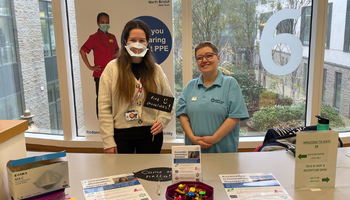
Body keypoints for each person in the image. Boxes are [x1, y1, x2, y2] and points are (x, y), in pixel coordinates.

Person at [98, 19, 174, 154]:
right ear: (125, 42)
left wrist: (162, 121)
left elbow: (168, 102)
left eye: (142, 40)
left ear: (147, 43)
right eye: (132, 40)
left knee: (148, 173)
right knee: (121, 174)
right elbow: (104, 108)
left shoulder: (156, 71)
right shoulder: (112, 69)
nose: (137, 44)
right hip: (121, 136)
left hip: (150, 135)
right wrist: (108, 141)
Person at [176, 41, 249, 153]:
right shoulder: (190, 86)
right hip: (193, 156)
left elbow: (235, 116)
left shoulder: (230, 84)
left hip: (222, 154)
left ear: (218, 58)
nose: (204, 60)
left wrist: (213, 139)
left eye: (209, 56)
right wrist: (192, 138)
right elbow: (182, 114)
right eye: (199, 58)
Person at [80, 12, 119, 118]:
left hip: (113, 73)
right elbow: (83, 51)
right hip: (100, 74)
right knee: (102, 99)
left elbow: (117, 51)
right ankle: (101, 120)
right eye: (102, 22)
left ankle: (114, 119)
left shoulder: (112, 37)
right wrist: (90, 67)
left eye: (107, 22)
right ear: (98, 23)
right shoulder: (93, 38)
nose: (105, 24)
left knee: (114, 97)